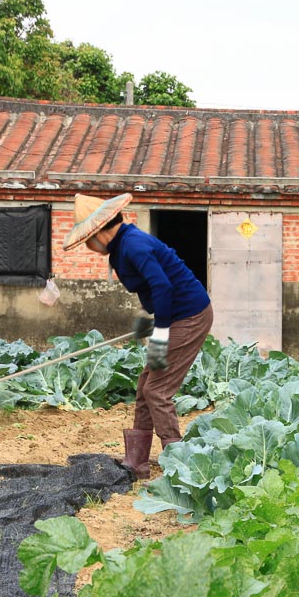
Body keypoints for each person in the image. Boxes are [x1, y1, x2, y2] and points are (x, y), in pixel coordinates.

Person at [63, 193, 213, 479]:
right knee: (146, 384)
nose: (90, 247)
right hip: (175, 315)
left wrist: (160, 331)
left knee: (158, 390)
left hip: (190, 316)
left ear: (101, 232)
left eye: (88, 241)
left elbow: (163, 287)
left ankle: (178, 464)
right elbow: (154, 289)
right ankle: (137, 461)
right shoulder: (122, 246)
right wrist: (150, 317)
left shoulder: (133, 246)